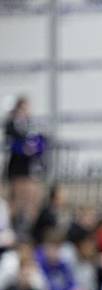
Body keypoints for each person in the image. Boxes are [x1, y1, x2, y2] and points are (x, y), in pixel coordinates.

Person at [3, 96, 44, 233]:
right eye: (24, 107)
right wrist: (24, 148)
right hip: (17, 164)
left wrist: (34, 148)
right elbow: (11, 142)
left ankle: (27, 227)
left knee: (31, 196)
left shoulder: (29, 124)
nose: (27, 110)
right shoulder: (12, 123)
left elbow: (38, 140)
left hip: (28, 165)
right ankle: (10, 226)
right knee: (17, 197)